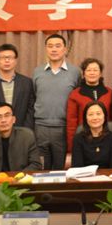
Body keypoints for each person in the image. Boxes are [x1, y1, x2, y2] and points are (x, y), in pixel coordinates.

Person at [33, 34, 81, 170]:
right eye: (50, 46)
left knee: (60, 168)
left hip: (63, 127)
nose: (54, 49)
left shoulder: (75, 72)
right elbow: (34, 95)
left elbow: (77, 99)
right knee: (42, 168)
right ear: (46, 49)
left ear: (65, 49)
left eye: (58, 46)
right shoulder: (37, 71)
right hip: (40, 127)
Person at [66, 58, 112, 153]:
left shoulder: (110, 93)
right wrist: (72, 146)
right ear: (84, 74)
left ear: (100, 74)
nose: (92, 73)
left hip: (106, 138)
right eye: (89, 70)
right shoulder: (75, 94)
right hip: (83, 139)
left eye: (95, 70)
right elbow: (71, 122)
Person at [71, 101, 112, 168]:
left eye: (98, 114)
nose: (95, 118)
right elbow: (77, 168)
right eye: (91, 114)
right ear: (86, 118)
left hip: (108, 174)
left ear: (104, 116)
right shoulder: (78, 139)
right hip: (85, 174)